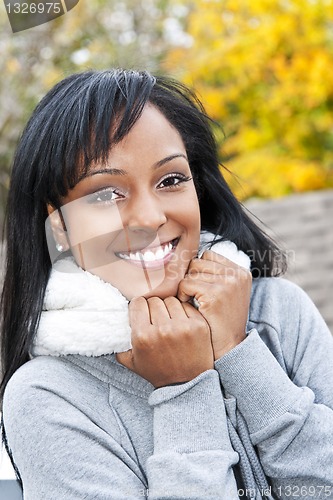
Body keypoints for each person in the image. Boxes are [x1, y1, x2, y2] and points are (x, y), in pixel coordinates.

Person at [0, 69, 332, 500]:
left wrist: (238, 354)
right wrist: (183, 392)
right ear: (59, 225)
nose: (151, 217)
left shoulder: (277, 312)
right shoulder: (47, 394)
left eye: (171, 180)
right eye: (105, 194)